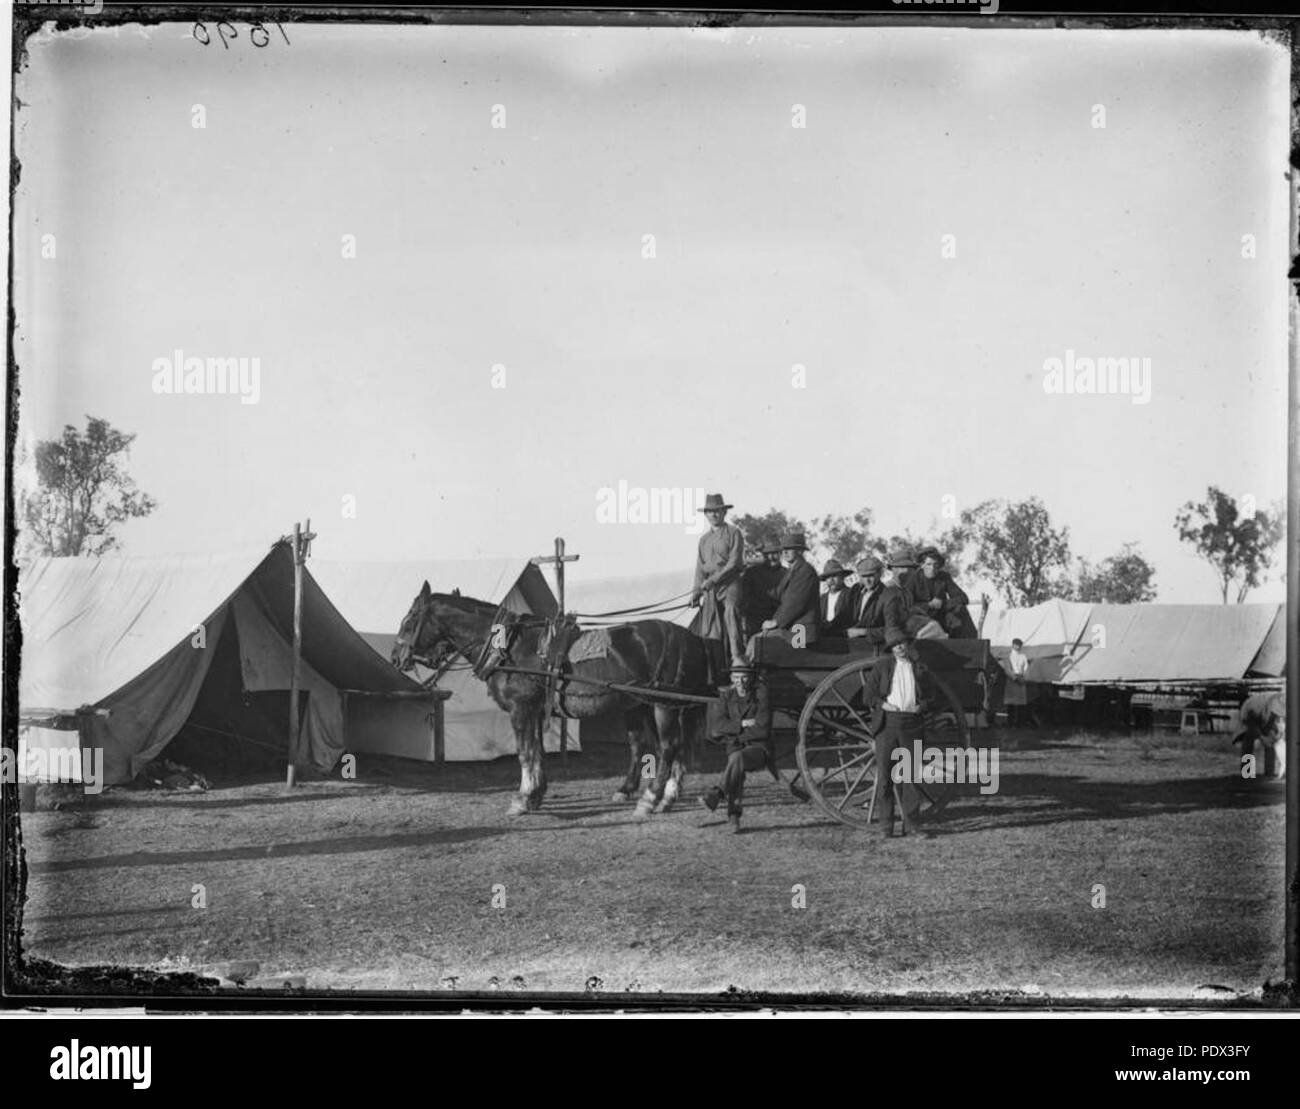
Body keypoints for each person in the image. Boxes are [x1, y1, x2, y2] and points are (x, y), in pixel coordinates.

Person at [862, 627, 932, 839]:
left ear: (908, 645)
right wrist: (883, 705)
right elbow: (868, 696)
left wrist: (922, 706)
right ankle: (886, 826)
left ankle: (911, 825)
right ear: (891, 648)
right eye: (896, 644)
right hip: (888, 724)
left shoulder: (920, 668)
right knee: (885, 776)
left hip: (912, 722)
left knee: (910, 777)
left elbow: (932, 696)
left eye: (903, 643)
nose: (900, 647)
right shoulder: (883, 666)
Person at [699, 659, 775, 833]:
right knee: (736, 763)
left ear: (751, 678)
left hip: (759, 749)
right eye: (736, 677)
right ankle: (734, 820)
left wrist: (734, 730)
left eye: (744, 677)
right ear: (731, 678)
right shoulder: (727, 696)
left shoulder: (761, 695)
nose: (740, 682)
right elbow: (718, 726)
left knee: (737, 758)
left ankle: (718, 794)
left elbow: (762, 730)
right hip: (736, 748)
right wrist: (743, 724)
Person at [691, 493, 746, 675]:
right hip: (710, 589)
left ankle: (737, 656)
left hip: (730, 583)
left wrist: (713, 580)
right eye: (710, 512)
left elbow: (734, 563)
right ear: (706, 514)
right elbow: (700, 568)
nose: (714, 515)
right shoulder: (703, 540)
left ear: (724, 512)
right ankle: (714, 666)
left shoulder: (734, 533)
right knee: (708, 625)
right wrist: (696, 592)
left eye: (717, 511)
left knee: (730, 610)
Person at [753, 532, 820, 649]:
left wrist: (776, 622)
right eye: (783, 549)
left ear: (800, 551)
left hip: (802, 629)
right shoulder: (792, 571)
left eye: (789, 549)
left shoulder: (805, 571)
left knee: (760, 642)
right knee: (758, 640)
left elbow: (796, 603)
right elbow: (777, 594)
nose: (784, 552)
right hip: (792, 626)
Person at [903, 546, 978, 639]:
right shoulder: (912, 579)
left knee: (960, 610)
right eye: (929, 564)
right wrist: (929, 605)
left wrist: (943, 603)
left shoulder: (944, 577)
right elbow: (907, 606)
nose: (932, 568)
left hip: (940, 617)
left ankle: (970, 645)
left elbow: (963, 598)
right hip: (920, 620)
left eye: (935, 565)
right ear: (922, 565)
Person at [846, 555, 908, 645]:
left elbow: (893, 629)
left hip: (876, 647)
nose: (867, 580)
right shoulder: (856, 592)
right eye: (864, 576)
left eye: (871, 576)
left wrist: (863, 632)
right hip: (852, 644)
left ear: (879, 574)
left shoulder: (889, 597)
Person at [740, 541, 784, 638]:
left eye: (774, 553)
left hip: (779, 622)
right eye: (767, 554)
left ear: (780, 553)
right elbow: (743, 599)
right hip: (755, 621)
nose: (771, 557)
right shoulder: (751, 573)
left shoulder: (788, 574)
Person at [818, 559, 855, 638]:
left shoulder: (851, 595)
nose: (831, 580)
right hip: (825, 639)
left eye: (834, 576)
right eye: (828, 577)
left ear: (842, 577)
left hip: (845, 639)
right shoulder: (822, 599)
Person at [1003, 637, 1032, 726]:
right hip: (1012, 680)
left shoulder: (1023, 656)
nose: (1017, 647)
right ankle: (1010, 722)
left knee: (1021, 703)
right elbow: (1007, 669)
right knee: (1011, 703)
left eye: (1019, 645)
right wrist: (1015, 678)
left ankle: (1020, 722)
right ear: (1013, 645)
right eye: (1016, 645)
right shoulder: (1008, 656)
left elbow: (1026, 668)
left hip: (1021, 679)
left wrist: (1024, 678)